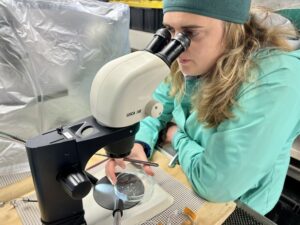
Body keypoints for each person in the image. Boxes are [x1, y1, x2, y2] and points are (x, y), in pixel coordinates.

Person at [105, 0, 300, 215]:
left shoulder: (276, 79)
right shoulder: (196, 53)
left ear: (232, 29)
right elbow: (160, 100)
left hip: (240, 204)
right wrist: (139, 141)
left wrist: (176, 135)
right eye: (170, 31)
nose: (177, 47)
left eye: (190, 33)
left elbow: (216, 184)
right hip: (191, 173)